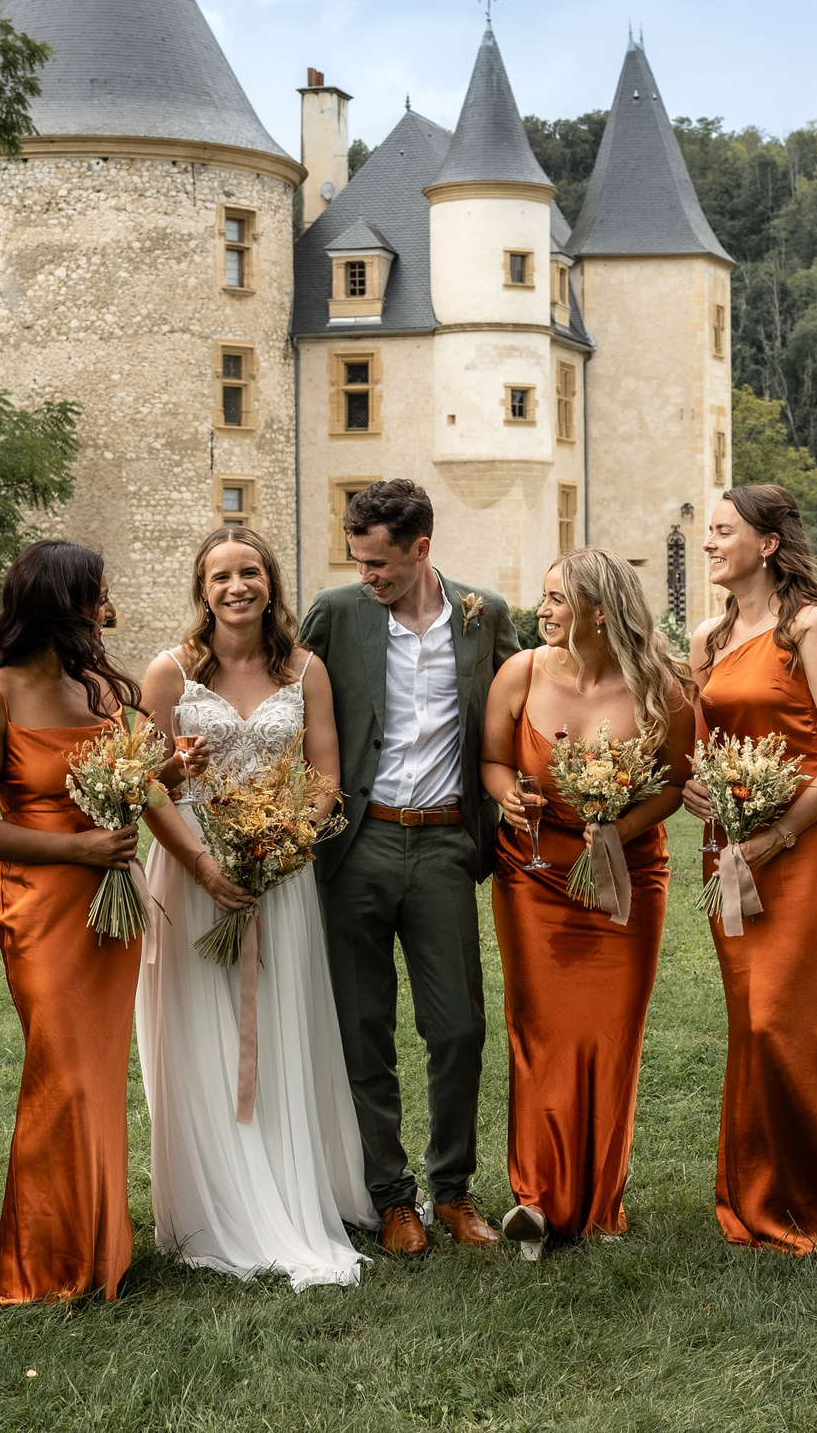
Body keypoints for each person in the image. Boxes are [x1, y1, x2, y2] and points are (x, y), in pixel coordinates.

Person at [133, 525, 375, 1288]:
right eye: (220, 576)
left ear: (270, 580)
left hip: (282, 869)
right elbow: (143, 784)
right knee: (199, 1029)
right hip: (191, 869)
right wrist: (205, 863)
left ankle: (293, 1187)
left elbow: (326, 776)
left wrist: (286, 840)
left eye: (250, 572)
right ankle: (215, 1200)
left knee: (283, 1025)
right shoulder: (169, 674)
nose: (236, 587)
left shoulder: (305, 669)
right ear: (201, 591)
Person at [680, 485, 817, 1258]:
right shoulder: (707, 636)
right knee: (749, 1019)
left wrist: (777, 834)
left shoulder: (807, 627)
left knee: (784, 1015)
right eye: (707, 532)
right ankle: (754, 1190)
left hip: (798, 842)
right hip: (726, 843)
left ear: (768, 543)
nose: (709, 543)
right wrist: (696, 789)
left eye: (722, 532)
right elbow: (702, 744)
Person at [297, 479, 522, 1257]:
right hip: (356, 843)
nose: (368, 575)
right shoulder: (335, 613)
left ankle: (453, 1191)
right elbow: (278, 688)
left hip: (444, 845)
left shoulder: (484, 614)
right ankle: (392, 1198)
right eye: (358, 561)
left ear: (421, 548)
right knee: (365, 1029)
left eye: (381, 563)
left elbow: (532, 700)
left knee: (457, 1026)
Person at [0, 540, 149, 1304]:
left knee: (96, 1076)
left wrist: (160, 776)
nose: (108, 607)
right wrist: (79, 844)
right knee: (59, 1071)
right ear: (60, 603)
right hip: (40, 902)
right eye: (98, 593)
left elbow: (121, 784)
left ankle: (103, 1252)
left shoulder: (96, 690)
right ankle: (42, 1264)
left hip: (109, 905)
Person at [481, 548, 695, 1261]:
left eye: (557, 600)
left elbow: (673, 784)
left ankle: (600, 1201)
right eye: (542, 597)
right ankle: (535, 1201)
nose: (541, 610)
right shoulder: (521, 672)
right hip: (534, 874)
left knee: (610, 1036)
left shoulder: (663, 688)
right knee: (538, 1031)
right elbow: (493, 758)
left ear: (601, 613)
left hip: (626, 875)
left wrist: (618, 827)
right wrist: (506, 794)